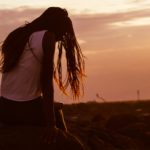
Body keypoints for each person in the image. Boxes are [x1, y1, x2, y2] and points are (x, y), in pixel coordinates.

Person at [0, 7, 85, 143]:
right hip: (24, 110)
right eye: (62, 32)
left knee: (54, 105)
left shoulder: (17, 35)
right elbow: (46, 82)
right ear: (55, 26)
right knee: (57, 115)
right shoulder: (47, 37)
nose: (62, 37)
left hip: (4, 109)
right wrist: (51, 125)